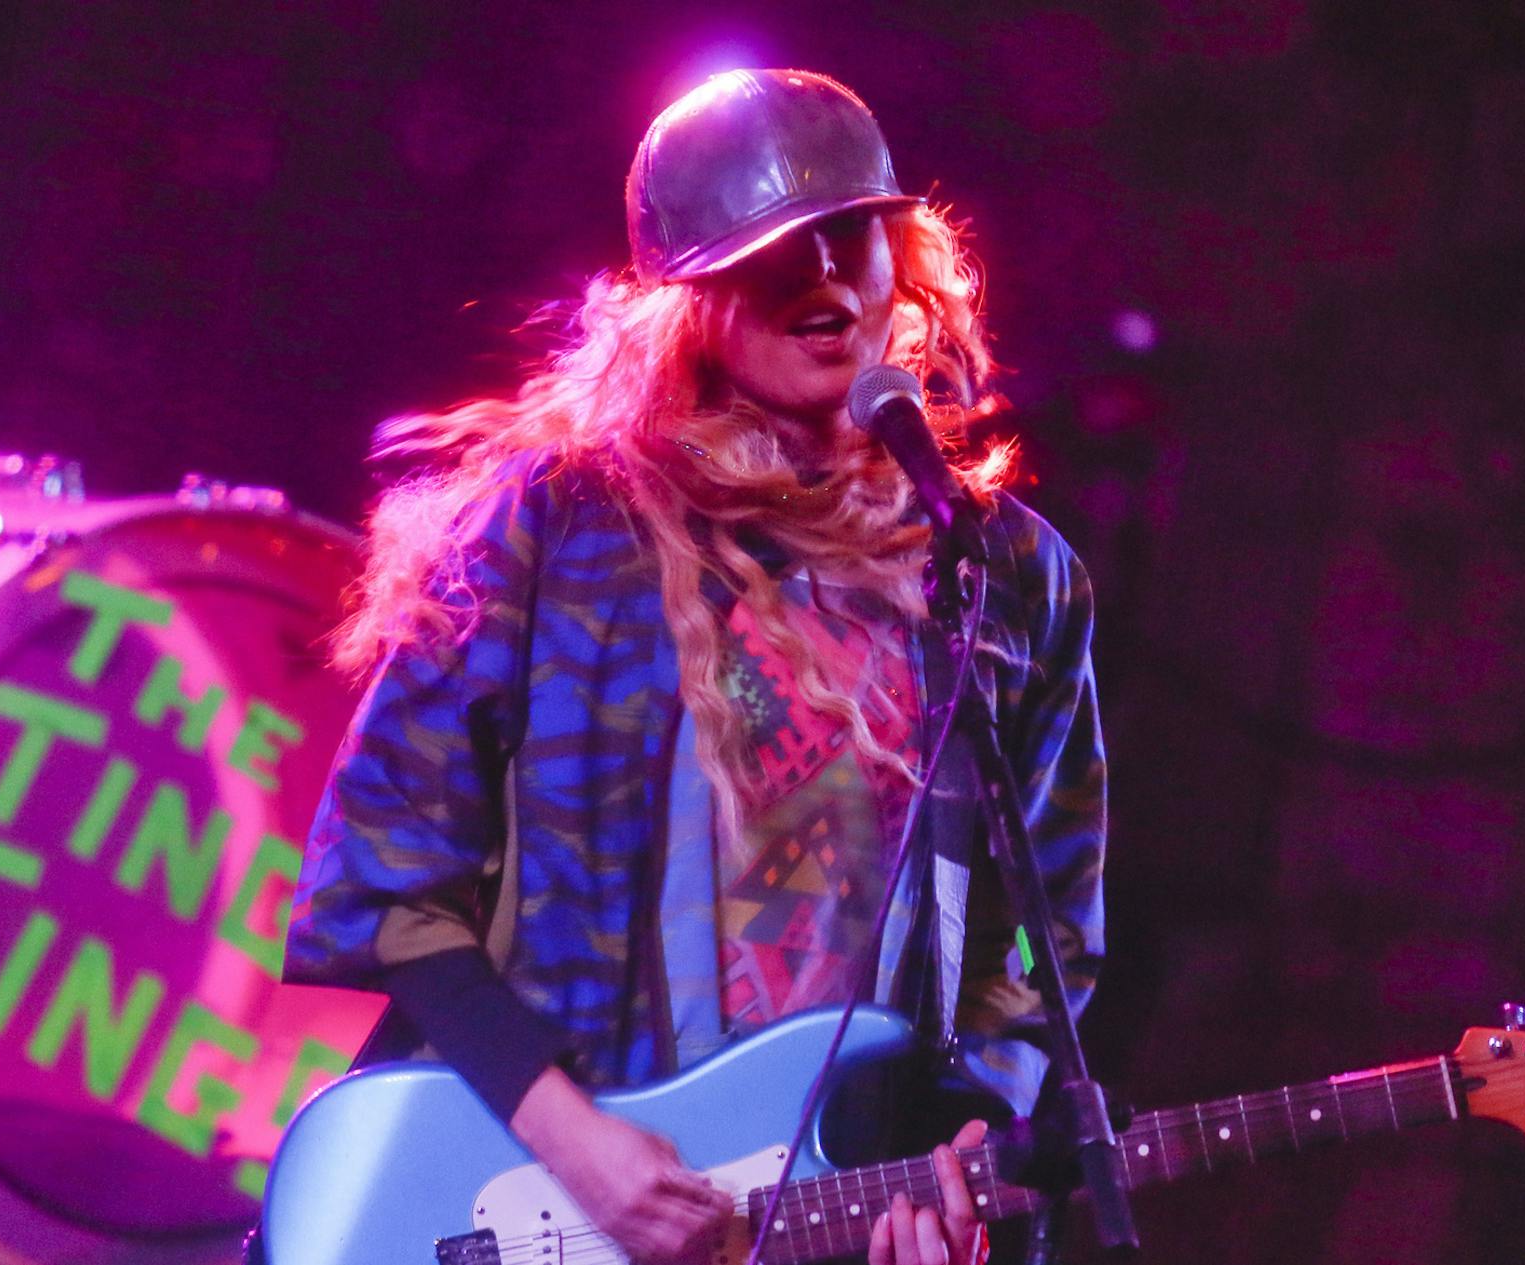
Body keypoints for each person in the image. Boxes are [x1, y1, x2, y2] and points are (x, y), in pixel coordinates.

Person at [286, 68, 1107, 1265]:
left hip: (818, 1209)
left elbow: (1042, 941)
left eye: (850, 237)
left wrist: (964, 1136)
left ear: (903, 255)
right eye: (777, 253)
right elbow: (385, 876)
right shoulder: (561, 527)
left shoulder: (1008, 579)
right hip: (547, 1189)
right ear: (690, 299)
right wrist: (577, 1139)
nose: (825, 281)